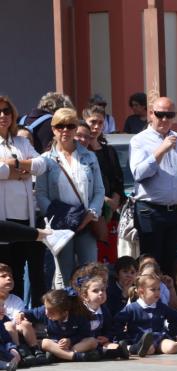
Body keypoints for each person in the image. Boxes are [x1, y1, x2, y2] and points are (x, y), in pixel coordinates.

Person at [130, 96, 177, 276]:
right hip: (150, 211)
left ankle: (170, 302)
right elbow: (138, 174)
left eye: (169, 115)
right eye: (160, 114)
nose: (164, 119)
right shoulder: (139, 141)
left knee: (174, 264)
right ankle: (151, 302)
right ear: (151, 114)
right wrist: (161, 150)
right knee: (151, 265)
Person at [37, 108, 105, 287]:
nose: (65, 130)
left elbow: (99, 190)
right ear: (53, 129)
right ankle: (65, 313)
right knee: (63, 274)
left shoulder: (89, 157)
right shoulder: (46, 160)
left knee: (90, 273)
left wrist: (92, 212)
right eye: (60, 126)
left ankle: (89, 312)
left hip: (86, 221)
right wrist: (57, 218)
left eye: (70, 126)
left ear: (76, 129)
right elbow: (41, 194)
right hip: (61, 226)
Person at [0, 95, 55, 302]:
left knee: (19, 274)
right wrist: (19, 170)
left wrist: (12, 162)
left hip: (25, 217)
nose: (3, 115)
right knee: (4, 272)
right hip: (3, 220)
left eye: (7, 111)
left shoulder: (21, 141)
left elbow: (41, 165)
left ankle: (19, 314)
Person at [83, 104, 126, 263]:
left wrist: (115, 198)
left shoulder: (109, 151)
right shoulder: (81, 151)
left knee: (110, 257)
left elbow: (117, 179)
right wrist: (102, 198)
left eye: (100, 123)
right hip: (90, 213)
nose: (96, 127)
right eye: (92, 122)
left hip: (110, 214)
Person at [113, 273, 177, 356]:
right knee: (149, 349)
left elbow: (174, 318)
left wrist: (171, 334)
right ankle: (130, 348)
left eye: (158, 289)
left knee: (173, 347)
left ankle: (151, 348)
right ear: (141, 292)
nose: (157, 292)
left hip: (158, 338)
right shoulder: (132, 308)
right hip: (139, 339)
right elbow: (118, 322)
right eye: (153, 289)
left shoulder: (161, 307)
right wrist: (122, 337)